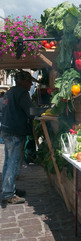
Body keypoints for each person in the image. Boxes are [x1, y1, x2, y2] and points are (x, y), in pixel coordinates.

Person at [1, 70, 37, 204]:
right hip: (15, 131)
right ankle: (8, 194)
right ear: (23, 82)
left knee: (8, 162)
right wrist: (40, 112)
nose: (30, 85)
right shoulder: (22, 93)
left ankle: (7, 189)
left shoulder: (10, 92)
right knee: (13, 162)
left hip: (6, 130)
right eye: (29, 82)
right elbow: (30, 110)